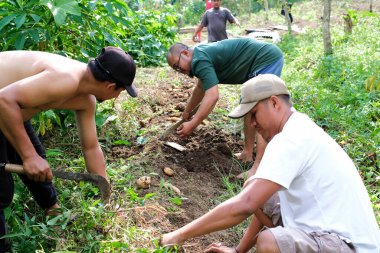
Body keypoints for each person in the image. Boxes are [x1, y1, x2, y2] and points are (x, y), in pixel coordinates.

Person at [161, 74, 380, 253]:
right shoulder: (297, 129)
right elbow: (255, 199)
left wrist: (178, 235)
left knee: (269, 242)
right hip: (326, 236)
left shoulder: (292, 139)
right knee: (256, 189)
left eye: (254, 114)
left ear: (274, 102)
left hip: (348, 246)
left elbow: (244, 206)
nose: (253, 124)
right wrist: (238, 251)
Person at [0, 46, 137, 252]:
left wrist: (105, 199)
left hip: (10, 112)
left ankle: (53, 211)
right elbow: (3, 100)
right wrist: (28, 156)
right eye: (121, 91)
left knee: (38, 158)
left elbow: (91, 147)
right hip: (4, 105)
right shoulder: (65, 78)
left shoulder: (85, 98)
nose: (118, 96)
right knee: (2, 189)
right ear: (110, 87)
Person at [167, 37, 284, 178]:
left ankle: (258, 168)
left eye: (177, 65)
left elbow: (212, 95)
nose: (179, 70)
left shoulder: (198, 60)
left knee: (259, 112)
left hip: (265, 59)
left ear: (185, 53)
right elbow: (200, 88)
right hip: (258, 62)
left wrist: (193, 123)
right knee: (249, 108)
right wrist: (187, 112)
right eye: (175, 69)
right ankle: (247, 153)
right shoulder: (199, 57)